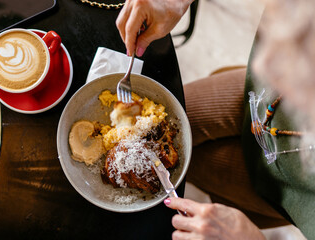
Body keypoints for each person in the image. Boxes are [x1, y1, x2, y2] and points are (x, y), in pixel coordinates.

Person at [116, 0, 315, 239]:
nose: (261, 65)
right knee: (178, 124)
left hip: (293, 190)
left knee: (191, 166)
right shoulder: (275, 71)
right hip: (272, 103)